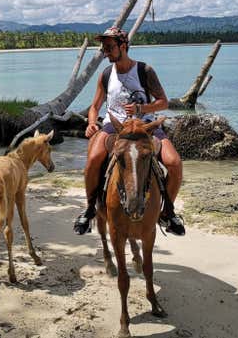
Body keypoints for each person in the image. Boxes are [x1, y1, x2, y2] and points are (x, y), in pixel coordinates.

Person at [73, 26, 185, 236]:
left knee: (175, 163)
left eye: (109, 47)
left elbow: (163, 102)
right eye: (103, 48)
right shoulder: (106, 74)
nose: (105, 52)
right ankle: (89, 210)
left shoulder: (145, 71)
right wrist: (91, 123)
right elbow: (95, 107)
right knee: (93, 160)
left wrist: (141, 109)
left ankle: (168, 212)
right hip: (113, 127)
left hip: (145, 127)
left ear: (123, 46)